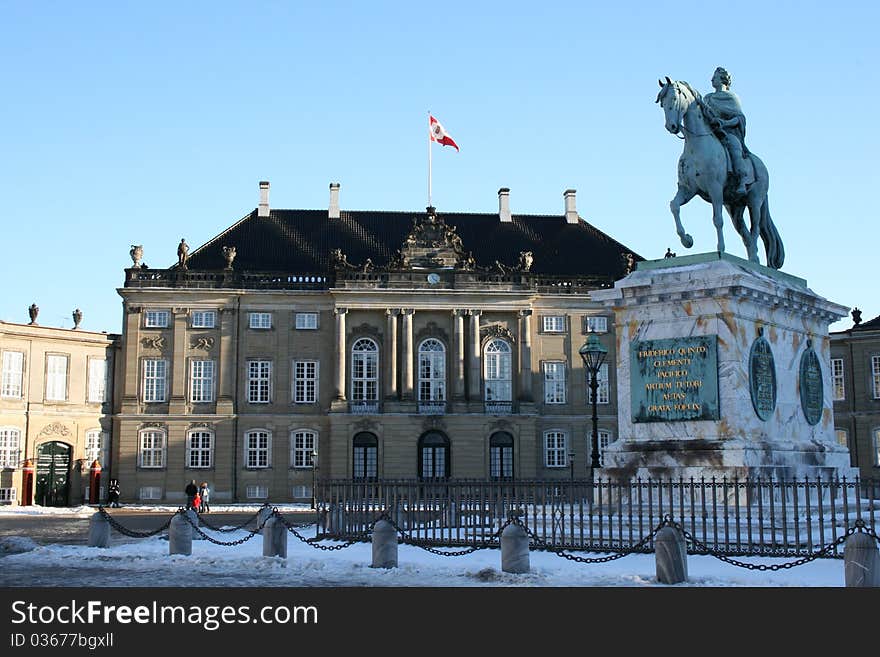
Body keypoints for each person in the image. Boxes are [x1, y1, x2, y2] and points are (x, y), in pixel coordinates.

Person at [698, 66, 752, 195]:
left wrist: (725, 123)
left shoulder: (731, 97)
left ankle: (742, 179)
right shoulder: (707, 98)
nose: (711, 79)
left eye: (715, 77)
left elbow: (739, 118)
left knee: (734, 146)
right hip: (710, 132)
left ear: (723, 79)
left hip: (728, 132)